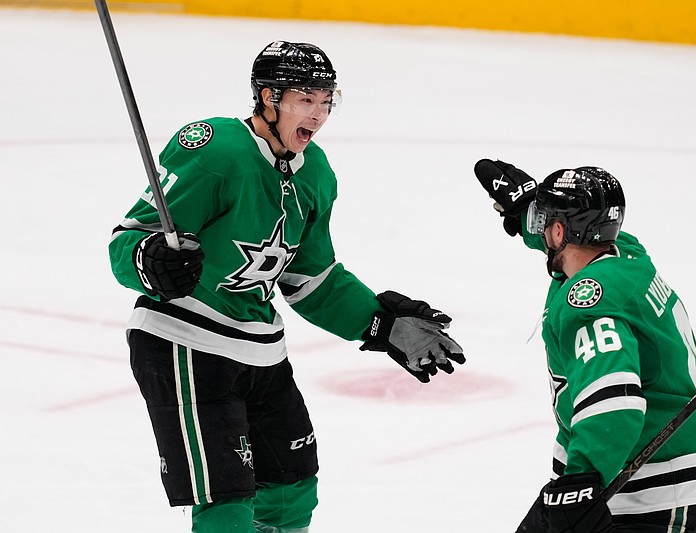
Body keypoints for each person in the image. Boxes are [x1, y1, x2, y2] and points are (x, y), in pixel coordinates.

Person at [108, 40, 465, 533]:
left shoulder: (316, 173)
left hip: (261, 355)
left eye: (326, 101)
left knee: (292, 492)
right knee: (226, 505)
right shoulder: (214, 147)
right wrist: (150, 260)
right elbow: (129, 240)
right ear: (268, 97)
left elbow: (311, 280)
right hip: (183, 344)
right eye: (305, 99)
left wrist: (380, 323)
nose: (317, 114)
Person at [474, 160, 696, 532]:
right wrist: (527, 206)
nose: (540, 229)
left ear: (559, 230)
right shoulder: (624, 253)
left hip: (647, 483)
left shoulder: (591, 302)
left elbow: (613, 401)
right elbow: (572, 237)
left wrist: (580, 483)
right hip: (621, 471)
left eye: (545, 221)